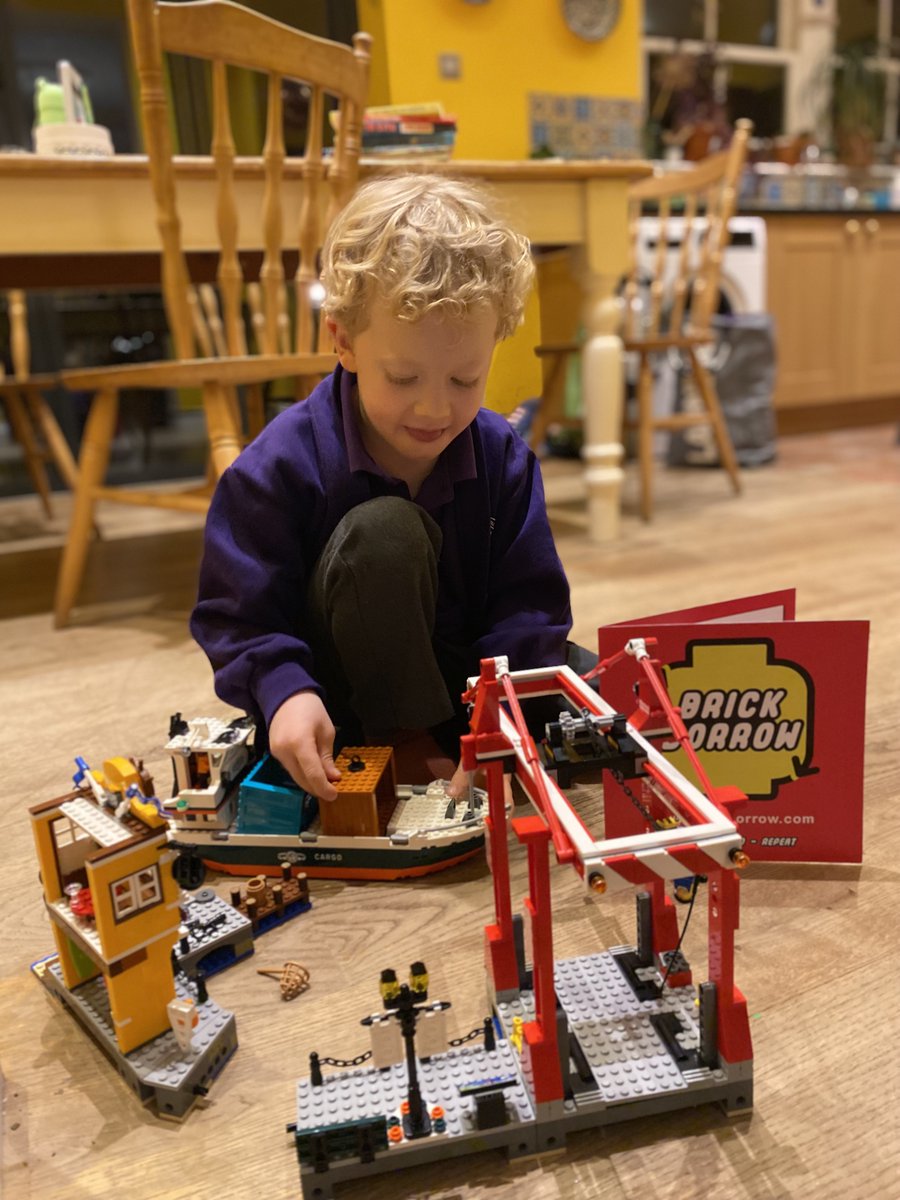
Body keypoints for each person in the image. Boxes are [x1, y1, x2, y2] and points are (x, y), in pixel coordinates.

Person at [190, 174, 578, 805]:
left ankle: (467, 740)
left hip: (461, 685)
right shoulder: (276, 467)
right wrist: (284, 691)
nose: (435, 408)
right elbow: (239, 616)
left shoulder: (503, 456)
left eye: (464, 378)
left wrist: (498, 722)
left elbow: (529, 606)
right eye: (402, 377)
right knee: (384, 533)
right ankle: (406, 739)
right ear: (343, 341)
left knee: (601, 687)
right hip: (339, 702)